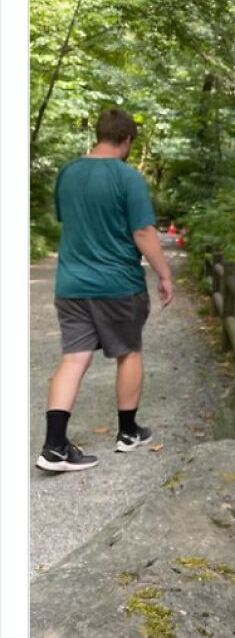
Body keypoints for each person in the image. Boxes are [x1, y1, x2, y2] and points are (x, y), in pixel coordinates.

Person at [37, 108, 174, 472]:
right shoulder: (128, 178)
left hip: (71, 285)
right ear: (127, 140)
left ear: (99, 134)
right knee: (128, 352)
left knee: (73, 358)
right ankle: (128, 432)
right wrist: (164, 275)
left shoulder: (68, 173)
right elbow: (142, 232)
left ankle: (54, 446)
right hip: (118, 286)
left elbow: (68, 220)